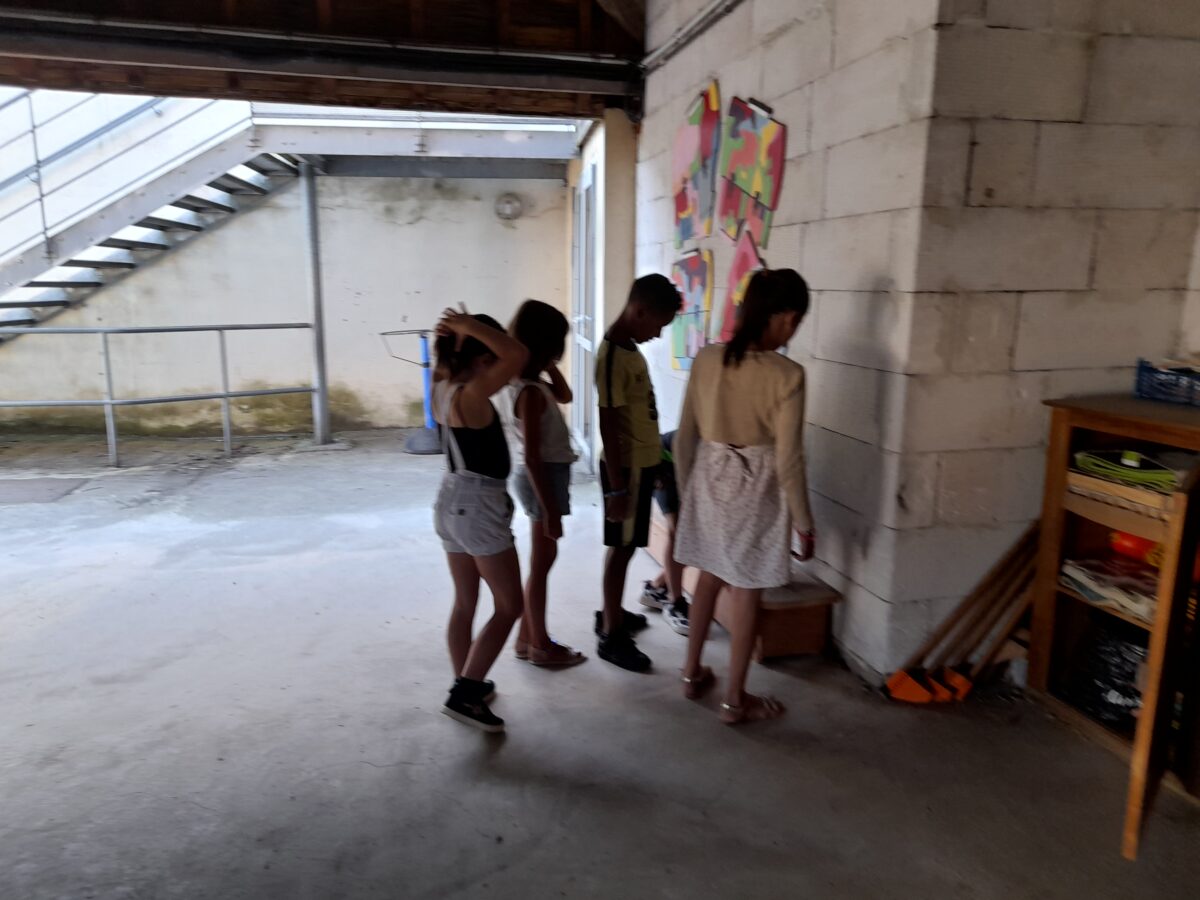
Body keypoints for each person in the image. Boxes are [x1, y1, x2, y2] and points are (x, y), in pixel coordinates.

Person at [673, 269, 816, 725]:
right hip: (757, 487)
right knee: (748, 589)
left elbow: (683, 438)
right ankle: (734, 700)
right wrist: (804, 523)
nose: (794, 330)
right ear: (785, 317)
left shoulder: (707, 359)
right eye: (796, 321)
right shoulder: (788, 375)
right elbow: (790, 459)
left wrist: (688, 496)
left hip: (709, 477)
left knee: (709, 577)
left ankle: (691, 673)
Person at [432, 309, 530, 732]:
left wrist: (456, 334)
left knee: (465, 602)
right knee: (510, 606)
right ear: (482, 359)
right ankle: (466, 694)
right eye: (493, 362)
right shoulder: (471, 396)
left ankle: (465, 679)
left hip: (450, 499)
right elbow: (518, 354)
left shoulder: (442, 387)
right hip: (478, 505)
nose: (502, 374)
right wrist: (468, 326)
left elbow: (500, 357)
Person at [595, 274, 684, 672]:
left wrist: (657, 463)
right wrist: (617, 487)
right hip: (625, 470)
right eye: (659, 325)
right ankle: (611, 634)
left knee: (628, 547)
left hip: (641, 465)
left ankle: (612, 612)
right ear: (640, 310)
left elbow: (642, 418)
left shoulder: (630, 349)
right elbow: (609, 423)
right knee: (621, 550)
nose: (658, 334)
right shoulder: (613, 354)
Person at [500, 299, 586, 668]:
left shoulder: (530, 384)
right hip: (542, 478)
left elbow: (566, 395)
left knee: (541, 562)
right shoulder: (531, 393)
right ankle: (540, 644)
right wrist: (550, 509)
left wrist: (549, 366)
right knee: (541, 564)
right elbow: (533, 456)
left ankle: (525, 639)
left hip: (544, 476)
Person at [639, 430, 689, 636]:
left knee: (694, 538)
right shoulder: (696, 440)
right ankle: (675, 602)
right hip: (661, 463)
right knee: (679, 534)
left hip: (680, 468)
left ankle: (656, 587)